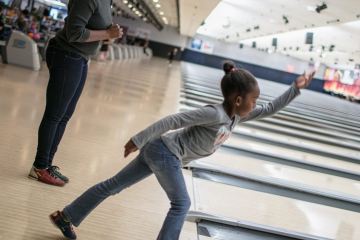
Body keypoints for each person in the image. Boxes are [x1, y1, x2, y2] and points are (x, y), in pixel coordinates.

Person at [49, 61, 315, 240]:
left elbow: (269, 109)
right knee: (182, 203)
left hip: (161, 152)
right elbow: (174, 120)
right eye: (253, 99)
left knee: (113, 185)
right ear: (238, 99)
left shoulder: (238, 116)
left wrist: (295, 88)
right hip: (165, 152)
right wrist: (139, 138)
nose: (257, 104)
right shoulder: (215, 113)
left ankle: (67, 216)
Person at [28, 0, 123, 186]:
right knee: (55, 115)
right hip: (66, 54)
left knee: (64, 116)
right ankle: (39, 167)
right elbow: (74, 33)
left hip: (80, 58)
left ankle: (46, 165)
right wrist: (107, 33)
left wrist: (109, 33)